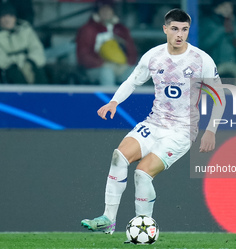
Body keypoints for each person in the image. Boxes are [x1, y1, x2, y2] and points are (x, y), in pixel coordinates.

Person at [81, 8, 225, 235]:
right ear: (165, 29)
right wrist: (114, 102)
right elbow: (132, 81)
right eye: (175, 29)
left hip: (181, 130)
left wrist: (211, 131)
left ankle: (143, 227)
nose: (180, 34)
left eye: (185, 30)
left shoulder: (201, 60)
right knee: (119, 157)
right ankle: (108, 219)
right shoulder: (153, 56)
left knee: (142, 173)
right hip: (155, 122)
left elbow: (219, 97)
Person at [76, 0, 138, 86]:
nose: (106, 12)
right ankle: (111, 99)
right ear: (97, 12)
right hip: (97, 68)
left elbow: (132, 52)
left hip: (121, 67)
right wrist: (103, 64)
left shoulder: (121, 29)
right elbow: (83, 56)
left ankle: (133, 100)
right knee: (107, 73)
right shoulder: (88, 30)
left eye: (108, 10)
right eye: (103, 10)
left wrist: (126, 64)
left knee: (134, 73)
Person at [0, 2, 47, 84]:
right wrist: (14, 66)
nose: (7, 20)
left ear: (14, 18)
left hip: (29, 64)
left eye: (10, 16)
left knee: (39, 73)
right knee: (13, 74)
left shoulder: (25, 30)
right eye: (3, 16)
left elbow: (37, 48)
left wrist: (30, 62)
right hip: (9, 70)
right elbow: (2, 58)